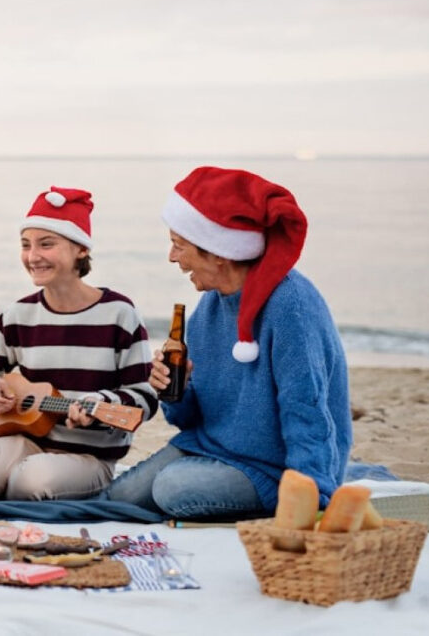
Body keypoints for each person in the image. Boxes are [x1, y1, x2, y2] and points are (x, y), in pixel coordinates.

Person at [104, 166, 352, 520]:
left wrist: (313, 498)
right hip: (212, 449)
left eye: (178, 245)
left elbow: (308, 411)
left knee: (172, 489)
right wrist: (177, 390)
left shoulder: (289, 305)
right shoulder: (209, 309)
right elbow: (189, 419)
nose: (172, 257)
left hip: (273, 470)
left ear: (218, 252)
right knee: (119, 498)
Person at [0, 186, 157, 501]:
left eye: (46, 244)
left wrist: (100, 404)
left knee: (29, 482)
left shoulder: (119, 313)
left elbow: (144, 396)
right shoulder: (19, 313)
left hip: (90, 458)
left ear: (81, 249)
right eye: (26, 245)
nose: (33, 256)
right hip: (25, 440)